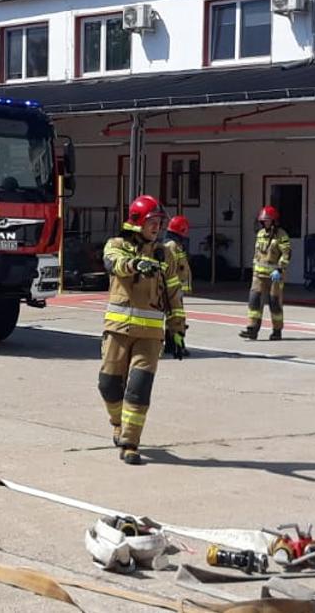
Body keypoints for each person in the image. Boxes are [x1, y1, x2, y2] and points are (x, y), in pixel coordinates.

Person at [100, 195, 187, 465]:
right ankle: (117, 423)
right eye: (152, 222)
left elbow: (174, 292)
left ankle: (130, 443)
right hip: (117, 331)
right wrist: (135, 264)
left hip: (150, 336)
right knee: (109, 386)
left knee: (138, 389)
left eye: (160, 223)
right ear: (137, 221)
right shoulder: (117, 245)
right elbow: (113, 263)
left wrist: (178, 330)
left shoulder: (166, 254)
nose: (157, 228)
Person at [240, 205, 290, 341]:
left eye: (268, 220)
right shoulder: (260, 234)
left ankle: (277, 330)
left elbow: (286, 253)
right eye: (263, 221)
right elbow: (258, 254)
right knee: (254, 301)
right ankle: (252, 329)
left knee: (274, 303)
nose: (265, 223)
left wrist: (280, 269)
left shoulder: (282, 235)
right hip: (258, 275)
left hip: (275, 276)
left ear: (274, 221)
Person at [163, 215, 194, 297]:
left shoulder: (177, 245)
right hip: (172, 289)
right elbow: (169, 267)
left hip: (177, 289)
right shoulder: (171, 245)